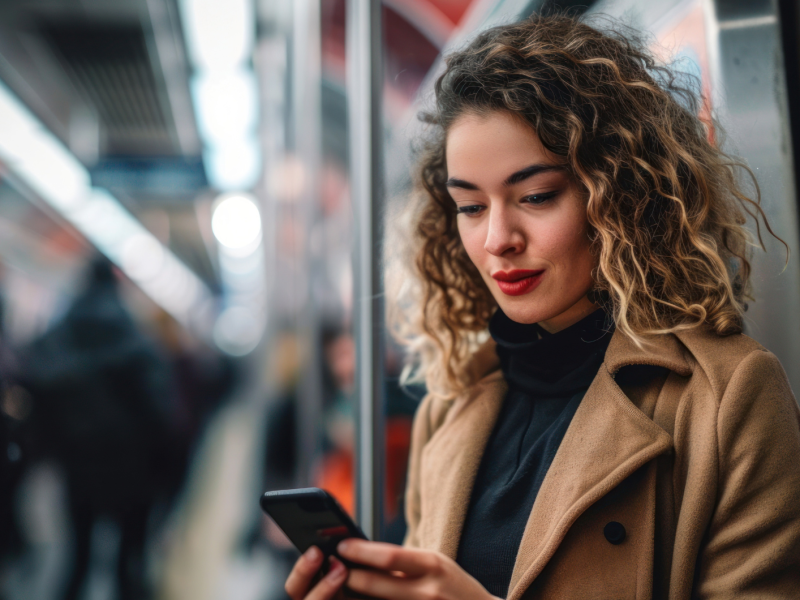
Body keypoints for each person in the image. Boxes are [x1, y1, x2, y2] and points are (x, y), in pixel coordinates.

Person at [284, 13, 800, 600]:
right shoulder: (452, 404)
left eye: (535, 196)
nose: (498, 238)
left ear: (620, 194)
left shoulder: (728, 397)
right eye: (470, 207)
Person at [23, 258, 174, 600]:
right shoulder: (134, 337)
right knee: (128, 562)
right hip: (131, 470)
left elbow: (34, 387)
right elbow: (160, 410)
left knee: (77, 558)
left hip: (76, 468)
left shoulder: (58, 337)